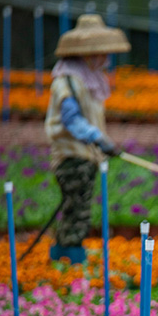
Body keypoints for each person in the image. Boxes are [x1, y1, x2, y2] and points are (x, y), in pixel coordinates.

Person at [45, 14, 130, 264]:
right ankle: (70, 259)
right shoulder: (67, 81)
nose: (106, 59)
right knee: (77, 212)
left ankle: (63, 256)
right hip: (72, 156)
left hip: (86, 155)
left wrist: (100, 141)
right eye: (102, 53)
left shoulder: (86, 78)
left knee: (76, 207)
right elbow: (71, 120)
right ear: (87, 55)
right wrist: (98, 138)